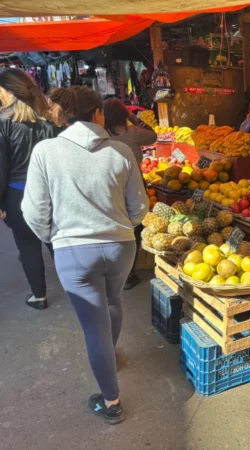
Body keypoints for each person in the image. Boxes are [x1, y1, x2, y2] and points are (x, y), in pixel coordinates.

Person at [22, 86, 149, 424]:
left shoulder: (46, 152)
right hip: (121, 246)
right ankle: (110, 355)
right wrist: (121, 226)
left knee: (94, 326)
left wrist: (56, 238)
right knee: (113, 302)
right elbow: (140, 208)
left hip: (73, 251)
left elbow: (34, 212)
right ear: (97, 114)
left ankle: (111, 403)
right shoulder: (121, 150)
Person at [0, 68, 57, 310]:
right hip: (52, 191)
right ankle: (80, 291)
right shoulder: (51, 117)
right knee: (56, 242)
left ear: (8, 90)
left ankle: (39, 296)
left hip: (17, 194)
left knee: (27, 245)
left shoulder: (3, 121)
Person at [103, 98, 156, 290]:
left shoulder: (99, 134)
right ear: (123, 115)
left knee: (111, 223)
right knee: (134, 225)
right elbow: (153, 136)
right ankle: (128, 271)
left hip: (107, 184)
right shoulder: (132, 132)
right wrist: (134, 118)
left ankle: (111, 269)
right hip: (132, 182)